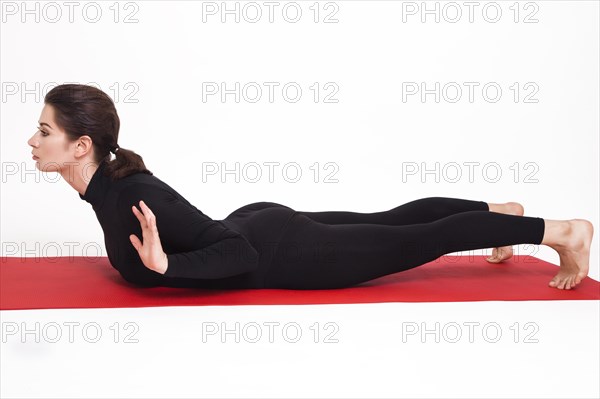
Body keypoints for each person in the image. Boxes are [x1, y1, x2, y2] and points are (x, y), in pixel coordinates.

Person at [27, 84, 594, 291]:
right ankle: (501, 212)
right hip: (266, 225)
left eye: (44, 130)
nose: (32, 141)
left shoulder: (130, 192)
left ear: (82, 147)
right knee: (394, 219)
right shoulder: (104, 188)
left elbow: (237, 253)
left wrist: (167, 269)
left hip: (284, 252)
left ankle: (561, 232)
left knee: (418, 238)